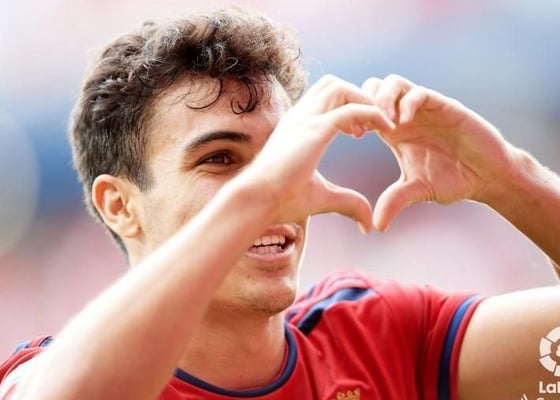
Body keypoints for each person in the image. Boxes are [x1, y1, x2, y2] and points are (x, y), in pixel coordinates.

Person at [1, 7, 559, 400]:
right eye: (220, 158)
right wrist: (260, 192)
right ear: (119, 205)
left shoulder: (381, 336)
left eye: (285, 153)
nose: (284, 185)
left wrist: (514, 178)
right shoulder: (46, 374)